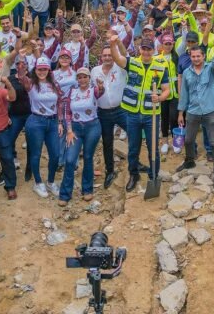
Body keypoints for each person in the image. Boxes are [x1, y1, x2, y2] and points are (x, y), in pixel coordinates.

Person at [109, 32, 170, 192]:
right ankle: (133, 174)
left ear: (153, 50)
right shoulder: (133, 63)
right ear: (140, 49)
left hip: (151, 114)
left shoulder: (161, 68)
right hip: (133, 114)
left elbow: (167, 90)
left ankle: (153, 175)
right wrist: (112, 44)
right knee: (133, 147)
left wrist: (161, 98)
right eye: (144, 48)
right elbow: (117, 58)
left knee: (153, 148)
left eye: (149, 49)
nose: (146, 52)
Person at [177, 44, 214, 189]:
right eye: (193, 56)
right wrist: (181, 112)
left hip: (211, 110)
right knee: (188, 140)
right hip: (193, 111)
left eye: (199, 56)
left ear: (203, 56)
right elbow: (184, 93)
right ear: (190, 57)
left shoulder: (210, 68)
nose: (196, 59)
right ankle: (190, 160)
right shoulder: (186, 72)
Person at [17, 56, 62, 198]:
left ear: (49, 70)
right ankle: (37, 182)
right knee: (35, 153)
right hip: (36, 121)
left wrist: (60, 121)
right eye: (39, 69)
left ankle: (50, 181)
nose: (42, 71)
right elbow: (21, 76)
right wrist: (22, 61)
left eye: (44, 69)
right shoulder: (31, 84)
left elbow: (60, 103)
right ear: (35, 70)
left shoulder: (54, 84)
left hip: (53, 121)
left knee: (55, 154)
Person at [59, 68, 105, 205]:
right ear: (77, 79)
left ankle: (87, 189)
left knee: (88, 157)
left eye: (85, 77)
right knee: (70, 159)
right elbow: (67, 112)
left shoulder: (93, 90)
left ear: (89, 78)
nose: (82, 80)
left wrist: (101, 86)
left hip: (92, 126)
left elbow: (100, 92)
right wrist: (69, 130)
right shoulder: (72, 92)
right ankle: (65, 193)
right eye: (79, 77)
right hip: (75, 129)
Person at [91, 45, 128, 189]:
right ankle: (110, 171)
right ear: (101, 56)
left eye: (110, 55)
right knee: (107, 142)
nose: (107, 57)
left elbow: (125, 54)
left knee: (133, 133)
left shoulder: (121, 68)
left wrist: (117, 43)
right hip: (103, 112)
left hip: (121, 109)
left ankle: (135, 163)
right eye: (104, 55)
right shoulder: (94, 71)